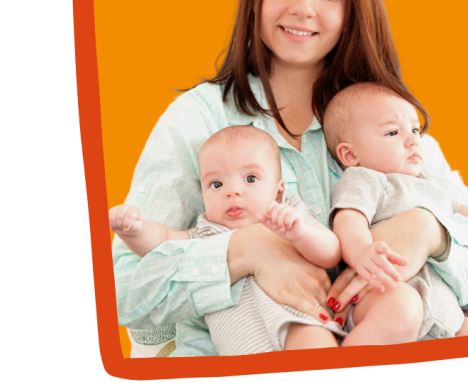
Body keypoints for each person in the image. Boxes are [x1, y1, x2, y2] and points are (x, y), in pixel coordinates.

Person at [112, 0, 468, 358]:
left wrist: (429, 231)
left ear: (354, 9)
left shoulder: (384, 116)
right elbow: (122, 290)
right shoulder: (198, 118)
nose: (303, 8)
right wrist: (245, 251)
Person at [109, 126, 345, 354]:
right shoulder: (206, 233)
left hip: (300, 319)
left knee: (316, 346)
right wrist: (135, 230)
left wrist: (302, 235)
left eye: (250, 179)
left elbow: (332, 253)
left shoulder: (287, 216)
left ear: (279, 191)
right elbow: (161, 241)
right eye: (216, 184)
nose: (231, 191)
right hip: (240, 345)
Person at [322, 82, 468, 345]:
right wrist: (361, 251)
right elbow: (349, 218)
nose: (413, 140)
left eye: (415, 130)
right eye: (393, 132)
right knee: (399, 311)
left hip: (446, 314)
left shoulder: (431, 185)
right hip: (384, 294)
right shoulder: (366, 179)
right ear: (350, 154)